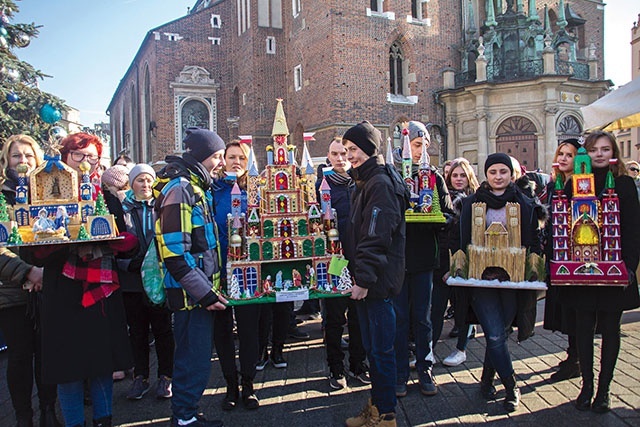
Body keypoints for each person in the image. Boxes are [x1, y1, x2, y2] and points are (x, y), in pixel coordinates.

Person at [36, 132, 135, 427]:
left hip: (101, 291)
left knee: (101, 363)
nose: (85, 163)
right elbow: (35, 252)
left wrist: (119, 241)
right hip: (63, 291)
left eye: (92, 158)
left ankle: (104, 421)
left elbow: (126, 237)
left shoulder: (105, 196)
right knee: (68, 367)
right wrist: (59, 241)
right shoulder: (48, 197)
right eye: (79, 156)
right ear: (65, 157)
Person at [559, 131, 640, 413]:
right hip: (581, 270)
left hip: (615, 268)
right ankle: (587, 385)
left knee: (610, 328)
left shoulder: (624, 184)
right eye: (594, 150)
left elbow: (632, 227)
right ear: (586, 154)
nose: (600, 154)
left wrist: (629, 265)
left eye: (606, 149)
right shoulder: (573, 185)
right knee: (582, 326)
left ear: (614, 152)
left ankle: (604, 388)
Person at [455, 153, 542, 413]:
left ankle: (485, 381)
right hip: (480, 280)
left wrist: (534, 268)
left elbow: (534, 241)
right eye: (493, 172)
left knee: (501, 334)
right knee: (493, 332)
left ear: (511, 174)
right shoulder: (471, 204)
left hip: (512, 280)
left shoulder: (525, 204)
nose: (498, 176)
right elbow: (460, 240)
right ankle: (511, 385)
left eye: (503, 171)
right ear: (486, 175)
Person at [154, 127, 228, 427]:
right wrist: (205, 293)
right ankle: (184, 417)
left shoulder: (195, 187)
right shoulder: (181, 189)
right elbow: (174, 253)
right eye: (217, 156)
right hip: (190, 296)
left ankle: (188, 410)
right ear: (202, 157)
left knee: (195, 358)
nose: (221, 163)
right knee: (191, 359)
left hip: (198, 292)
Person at [342, 121, 409, 427]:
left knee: (381, 352)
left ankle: (385, 415)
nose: (349, 156)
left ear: (369, 148)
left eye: (353, 149)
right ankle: (377, 407)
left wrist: (364, 279)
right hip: (372, 280)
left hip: (377, 284)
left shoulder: (379, 183)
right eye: (346, 150)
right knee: (374, 349)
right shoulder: (366, 182)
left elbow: (376, 234)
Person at [0, 135, 62, 427]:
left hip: (47, 287)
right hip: (12, 291)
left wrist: (45, 272)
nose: (22, 161)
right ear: (6, 161)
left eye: (28, 156)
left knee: (48, 354)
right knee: (20, 358)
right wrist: (27, 272)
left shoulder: (47, 192)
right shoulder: (2, 194)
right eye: (16, 156)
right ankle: (24, 416)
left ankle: (49, 411)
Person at [393, 121, 453, 398]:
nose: (420, 151)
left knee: (423, 318)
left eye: (424, 146)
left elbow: (448, 212)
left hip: (424, 258)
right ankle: (400, 371)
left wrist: (437, 221)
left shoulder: (435, 177)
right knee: (400, 317)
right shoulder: (392, 176)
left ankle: (425, 367)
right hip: (398, 259)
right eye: (416, 145)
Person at [119, 164, 175, 400]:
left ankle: (166, 377)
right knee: (137, 331)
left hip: (157, 277)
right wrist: (127, 263)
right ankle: (140, 377)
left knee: (163, 329)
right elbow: (114, 241)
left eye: (148, 180)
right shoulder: (121, 209)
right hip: (131, 279)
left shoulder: (161, 205)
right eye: (140, 180)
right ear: (131, 183)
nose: (145, 185)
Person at [212, 141, 261, 410]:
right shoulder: (214, 191)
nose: (236, 162)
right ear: (223, 160)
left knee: (249, 330)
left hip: (249, 270)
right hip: (220, 270)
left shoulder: (255, 190)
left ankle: (249, 385)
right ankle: (230, 385)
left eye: (241, 157)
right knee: (222, 331)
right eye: (231, 157)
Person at [320, 137, 369, 390]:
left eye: (345, 153)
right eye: (335, 153)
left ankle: (359, 365)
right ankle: (336, 367)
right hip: (335, 261)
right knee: (334, 317)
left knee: (360, 316)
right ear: (328, 156)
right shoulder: (322, 185)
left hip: (359, 258)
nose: (341, 158)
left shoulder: (361, 184)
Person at [431, 158, 479, 367]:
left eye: (462, 175)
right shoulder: (441, 197)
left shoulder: (477, 200)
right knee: (436, 308)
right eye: (455, 175)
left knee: (463, 307)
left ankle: (461, 349)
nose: (458, 179)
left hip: (466, 260)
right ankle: (429, 349)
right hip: (442, 259)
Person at [542, 139, 580, 383]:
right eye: (561, 153)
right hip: (557, 253)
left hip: (575, 256)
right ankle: (572, 354)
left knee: (576, 310)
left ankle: (576, 358)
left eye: (570, 154)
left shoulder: (580, 184)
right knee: (564, 308)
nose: (564, 158)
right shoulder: (555, 182)